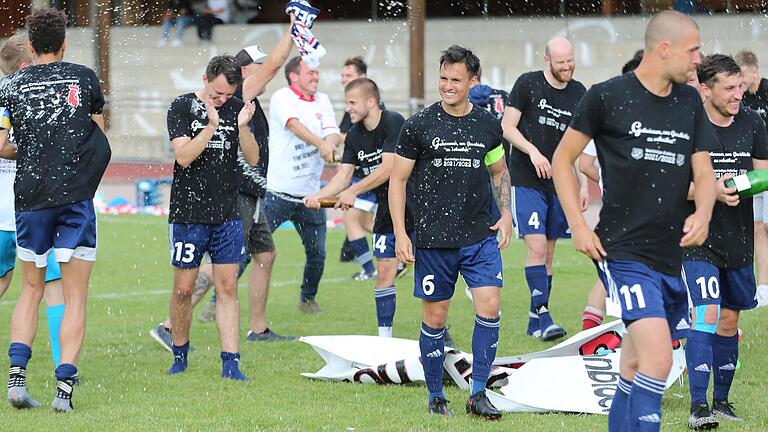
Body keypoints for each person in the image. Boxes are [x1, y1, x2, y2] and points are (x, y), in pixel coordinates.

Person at [552, 10, 718, 431]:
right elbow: (563, 159)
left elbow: (703, 171)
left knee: (634, 360)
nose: (700, 59)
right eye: (693, 50)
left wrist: (703, 210)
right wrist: (578, 223)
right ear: (664, 50)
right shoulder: (607, 96)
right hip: (621, 251)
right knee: (660, 358)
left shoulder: (689, 102)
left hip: (669, 256)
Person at [150, 19, 296, 349]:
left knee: (265, 254)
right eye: (254, 67)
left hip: (251, 191)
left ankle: (257, 327)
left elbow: (254, 153)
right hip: (233, 193)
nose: (260, 72)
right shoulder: (234, 93)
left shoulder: (240, 103)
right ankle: (170, 325)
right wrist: (294, 28)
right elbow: (274, 65)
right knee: (216, 271)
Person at [390, 45, 512, 419]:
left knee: (490, 306)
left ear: (473, 82)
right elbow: (398, 180)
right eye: (443, 78)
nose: (447, 86)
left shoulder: (488, 124)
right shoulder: (419, 125)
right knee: (436, 319)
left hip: (479, 235)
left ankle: (477, 394)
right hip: (433, 239)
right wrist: (400, 233)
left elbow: (500, 172)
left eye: (455, 80)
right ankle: (435, 396)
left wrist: (506, 214)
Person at [0, 8, 112, 412]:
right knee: (74, 295)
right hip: (74, 197)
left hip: (30, 198)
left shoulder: (10, 85)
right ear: (65, 45)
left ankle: (16, 381)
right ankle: (63, 392)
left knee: (29, 289)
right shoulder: (84, 78)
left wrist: (33, 149)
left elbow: (2, 145)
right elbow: (98, 136)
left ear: (30, 45)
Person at [682, 54, 768, 429]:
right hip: (697, 235)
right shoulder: (686, 125)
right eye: (729, 88)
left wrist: (740, 185)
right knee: (707, 313)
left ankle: (721, 400)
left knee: (729, 320)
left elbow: (764, 175)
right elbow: (668, 185)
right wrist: (710, 190)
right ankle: (698, 407)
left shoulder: (753, 122)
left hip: (738, 237)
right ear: (706, 88)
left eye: (740, 87)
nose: (738, 95)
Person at [165, 55, 258, 381]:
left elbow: (253, 156)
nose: (222, 100)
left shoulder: (238, 108)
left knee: (228, 285)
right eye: (217, 93)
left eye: (228, 95)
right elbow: (184, 156)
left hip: (227, 214)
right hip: (188, 214)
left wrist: (243, 127)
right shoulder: (181, 106)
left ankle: (231, 363)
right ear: (205, 78)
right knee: (183, 290)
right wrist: (212, 125)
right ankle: (179, 353)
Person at [304, 77, 406, 336]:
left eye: (352, 102)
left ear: (371, 102)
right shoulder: (355, 135)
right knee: (384, 271)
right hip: (385, 209)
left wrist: (353, 191)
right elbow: (342, 176)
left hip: (414, 206)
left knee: (432, 271)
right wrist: (318, 195)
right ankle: (385, 338)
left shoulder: (393, 122)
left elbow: (389, 167)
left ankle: (439, 330)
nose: (348, 108)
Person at [501, 37, 587, 341]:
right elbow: (507, 127)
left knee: (548, 253)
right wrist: (533, 152)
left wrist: (583, 182)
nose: (567, 66)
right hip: (527, 178)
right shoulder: (527, 84)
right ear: (547, 60)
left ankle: (534, 318)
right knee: (536, 247)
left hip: (559, 182)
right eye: (560, 61)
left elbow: (576, 143)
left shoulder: (579, 93)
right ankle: (544, 315)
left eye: (570, 60)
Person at [0, 35, 66, 368]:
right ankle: (62, 363)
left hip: (4, 217)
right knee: (53, 287)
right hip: (33, 210)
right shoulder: (28, 95)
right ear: (27, 64)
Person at [265, 56, 340, 314]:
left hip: (311, 195)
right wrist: (321, 145)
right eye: (311, 73)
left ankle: (307, 299)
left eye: (317, 74)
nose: (316, 78)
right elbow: (294, 126)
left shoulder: (324, 100)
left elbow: (332, 131)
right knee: (249, 249)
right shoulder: (281, 97)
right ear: (293, 76)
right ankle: (218, 300)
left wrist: (329, 143)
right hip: (277, 193)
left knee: (317, 253)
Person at [337, 56, 377, 273]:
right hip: (361, 174)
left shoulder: (371, 108)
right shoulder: (355, 106)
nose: (344, 80)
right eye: (343, 76)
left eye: (349, 76)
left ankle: (369, 270)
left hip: (368, 176)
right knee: (366, 224)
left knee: (352, 220)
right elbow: (346, 136)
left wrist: (328, 142)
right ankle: (408, 252)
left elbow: (347, 136)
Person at [734, 50, 768, 305]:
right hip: (756, 172)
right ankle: (764, 285)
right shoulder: (741, 100)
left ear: (755, 70)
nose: (741, 83)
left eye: (743, 76)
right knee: (757, 227)